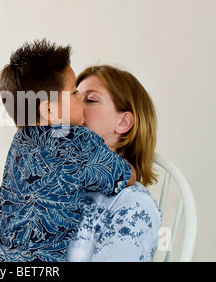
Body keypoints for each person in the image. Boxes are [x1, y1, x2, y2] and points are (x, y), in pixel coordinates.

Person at [0, 40, 135, 262]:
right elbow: (125, 176)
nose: (80, 100)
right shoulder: (79, 140)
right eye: (75, 92)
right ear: (49, 110)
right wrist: (133, 169)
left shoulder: (20, 139)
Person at [67, 65, 162, 262]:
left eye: (91, 99)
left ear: (123, 123)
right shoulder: (53, 179)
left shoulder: (134, 203)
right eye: (74, 96)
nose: (74, 107)